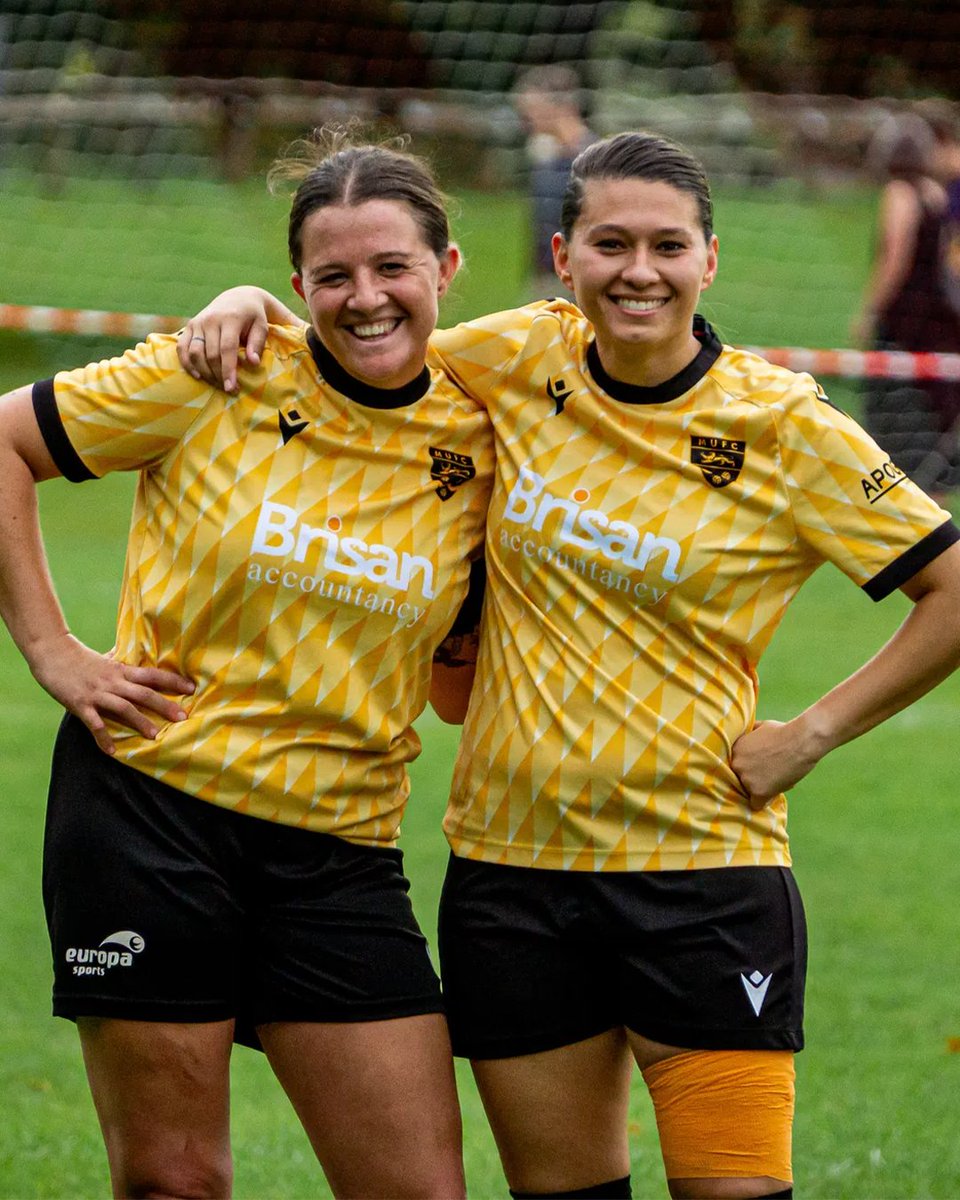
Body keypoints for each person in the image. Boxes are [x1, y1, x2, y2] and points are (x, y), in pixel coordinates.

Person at [178, 130, 960, 1200]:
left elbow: (951, 591)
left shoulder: (783, 426)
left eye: (668, 245)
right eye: (611, 244)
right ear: (565, 255)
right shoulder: (513, 359)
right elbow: (368, 333)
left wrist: (810, 734)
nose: (639, 270)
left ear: (709, 260)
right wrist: (243, 300)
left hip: (703, 872)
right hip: (513, 881)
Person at [0, 129, 495, 1199]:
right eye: (333, 276)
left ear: (447, 270)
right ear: (295, 286)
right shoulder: (215, 370)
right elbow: (3, 443)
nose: (366, 297)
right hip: (148, 814)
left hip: (339, 844)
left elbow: (457, 689)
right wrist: (53, 652)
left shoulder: (488, 428)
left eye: (392, 267)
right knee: (175, 1183)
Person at [852, 110, 960, 501]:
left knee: (897, 424)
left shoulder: (900, 193)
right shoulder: (936, 193)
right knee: (935, 424)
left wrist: (870, 311)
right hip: (940, 325)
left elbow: (895, 257)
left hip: (907, 325)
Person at [512, 65, 595, 300]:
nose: (526, 119)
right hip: (547, 278)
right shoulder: (544, 157)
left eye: (532, 110)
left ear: (561, 107)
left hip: (579, 279)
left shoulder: (595, 161)